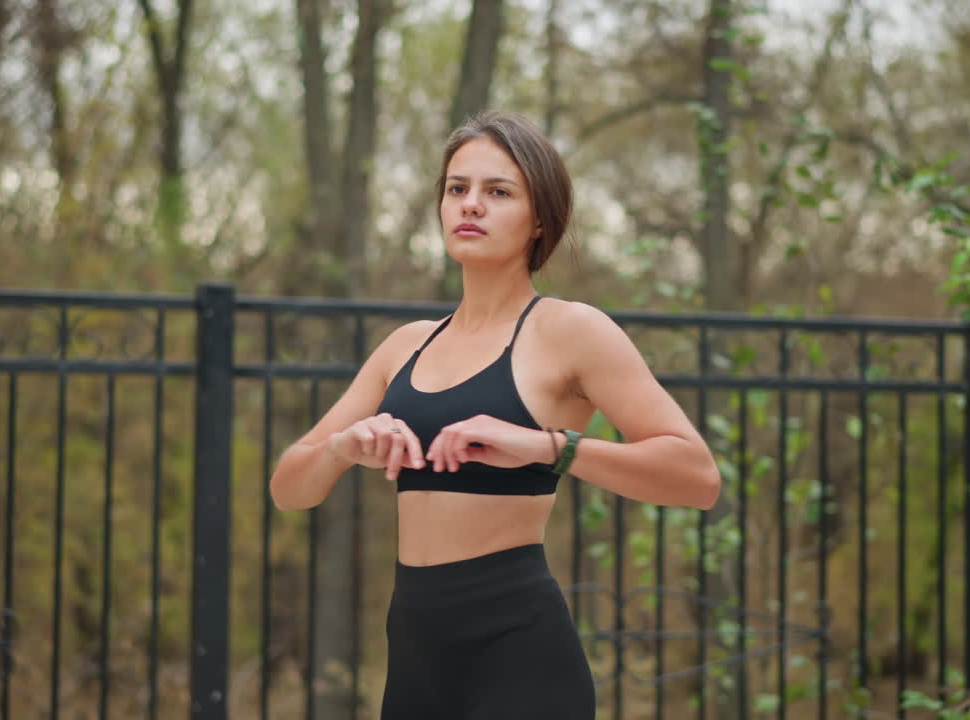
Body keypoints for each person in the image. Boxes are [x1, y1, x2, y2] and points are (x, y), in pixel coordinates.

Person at [270, 111, 721, 720]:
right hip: (414, 657)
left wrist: (548, 447)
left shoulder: (571, 331)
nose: (471, 205)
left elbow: (697, 476)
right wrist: (341, 448)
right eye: (458, 189)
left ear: (540, 220)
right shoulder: (405, 345)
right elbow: (289, 488)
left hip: (519, 657)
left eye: (497, 192)